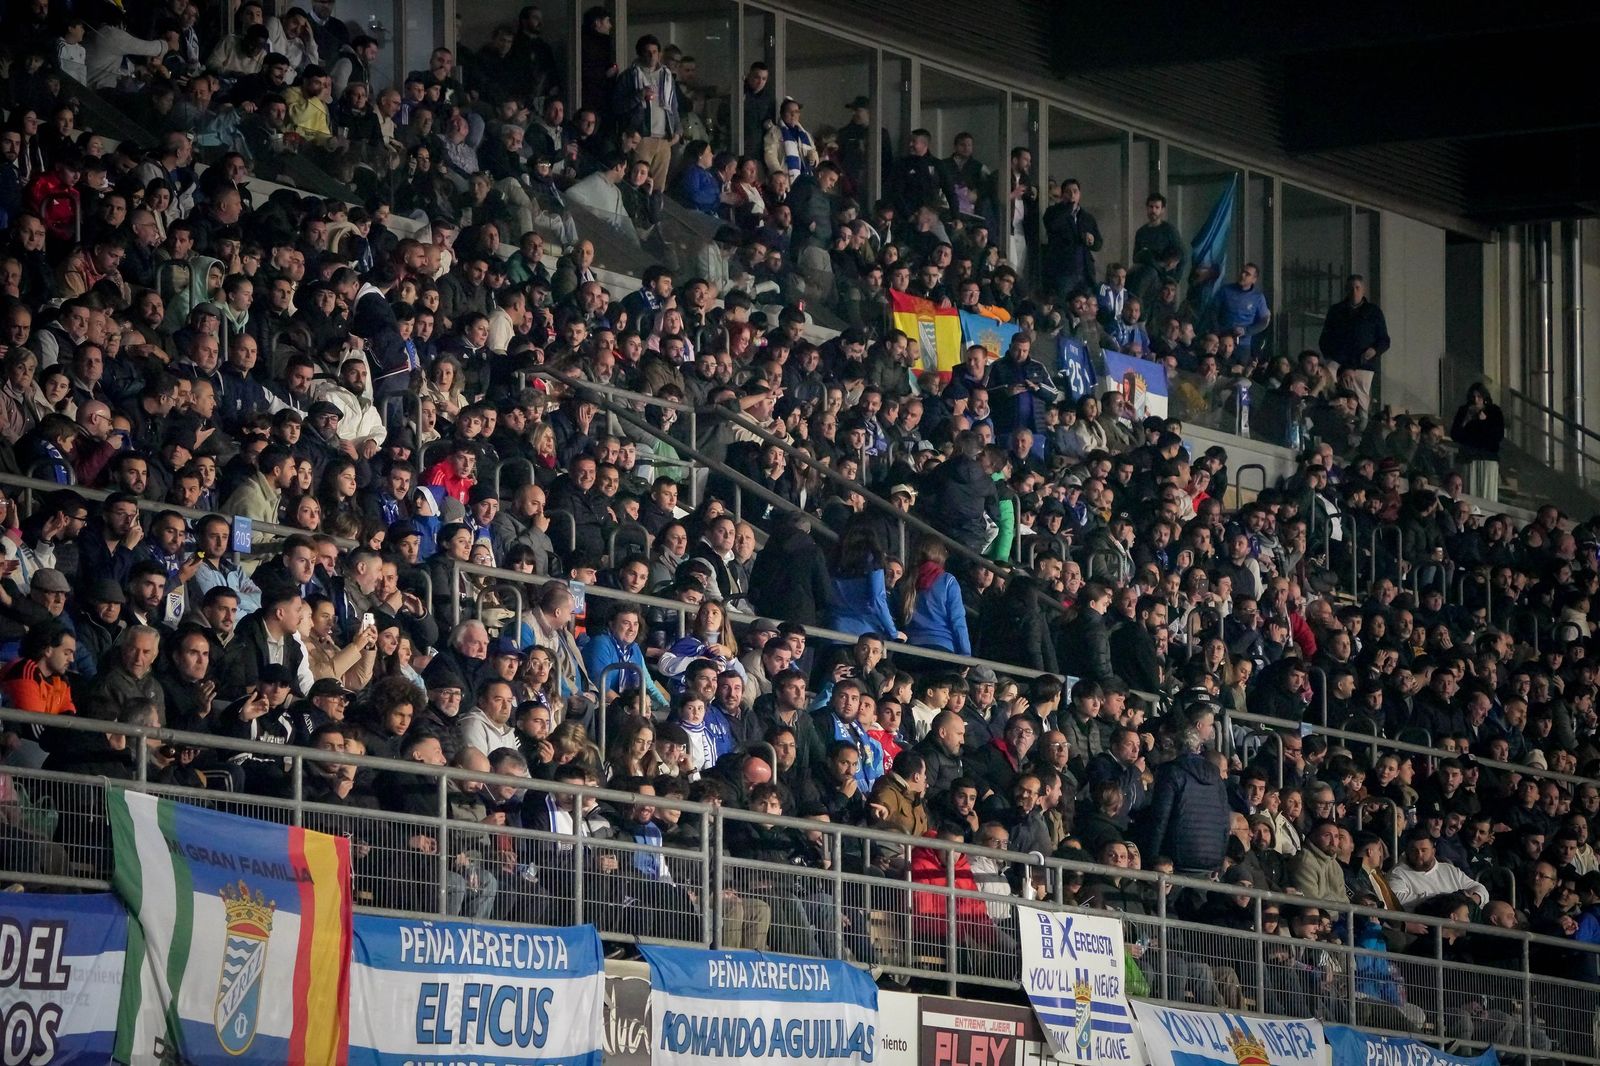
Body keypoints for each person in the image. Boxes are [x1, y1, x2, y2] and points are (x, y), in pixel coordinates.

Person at [1449, 383, 1505, 503]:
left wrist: (1484, 422)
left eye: (1479, 396)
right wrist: (1466, 420)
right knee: (1469, 494)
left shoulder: (1494, 411)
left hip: (1487, 459)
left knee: (1486, 495)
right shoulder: (1464, 411)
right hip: (1468, 458)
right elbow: (1455, 435)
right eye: (1473, 397)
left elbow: (1497, 437)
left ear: (1484, 398)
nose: (1476, 400)